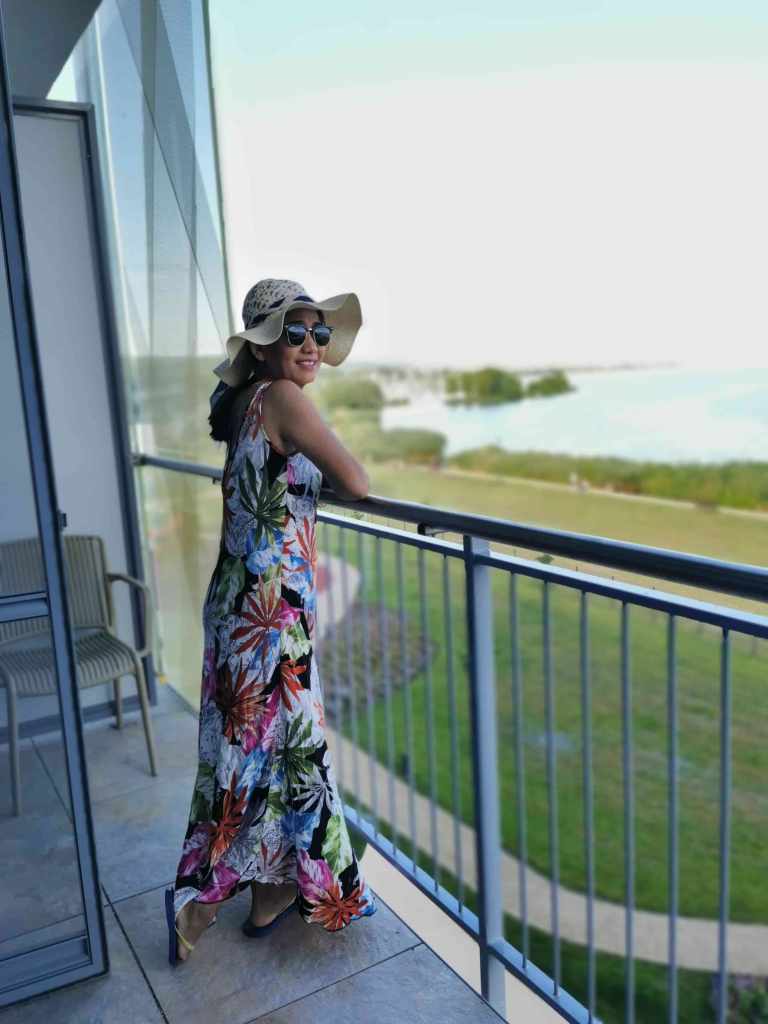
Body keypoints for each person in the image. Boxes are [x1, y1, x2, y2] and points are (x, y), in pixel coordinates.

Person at [164, 278, 378, 967]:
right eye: (295, 332)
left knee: (265, 753)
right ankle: (199, 903)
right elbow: (357, 481)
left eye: (319, 332)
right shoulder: (283, 398)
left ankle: (269, 896)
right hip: (270, 616)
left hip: (242, 606)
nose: (312, 344)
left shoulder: (245, 404)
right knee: (280, 757)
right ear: (262, 347)